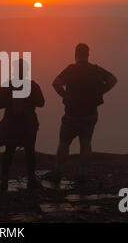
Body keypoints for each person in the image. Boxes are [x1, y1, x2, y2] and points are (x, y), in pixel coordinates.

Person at [49, 43, 117, 183]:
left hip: (72, 113)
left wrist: (65, 95)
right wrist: (101, 91)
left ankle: (57, 171)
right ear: (88, 54)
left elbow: (56, 83)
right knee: (86, 143)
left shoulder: (71, 70)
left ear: (75, 54)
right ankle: (83, 173)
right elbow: (113, 79)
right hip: (90, 112)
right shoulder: (95, 70)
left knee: (64, 143)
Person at [0, 59, 45, 192]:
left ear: (13, 71)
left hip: (11, 123)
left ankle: (4, 180)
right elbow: (41, 103)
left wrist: (11, 100)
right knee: (30, 151)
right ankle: (31, 180)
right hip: (28, 124)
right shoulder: (32, 85)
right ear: (26, 71)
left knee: (9, 151)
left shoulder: (7, 85)